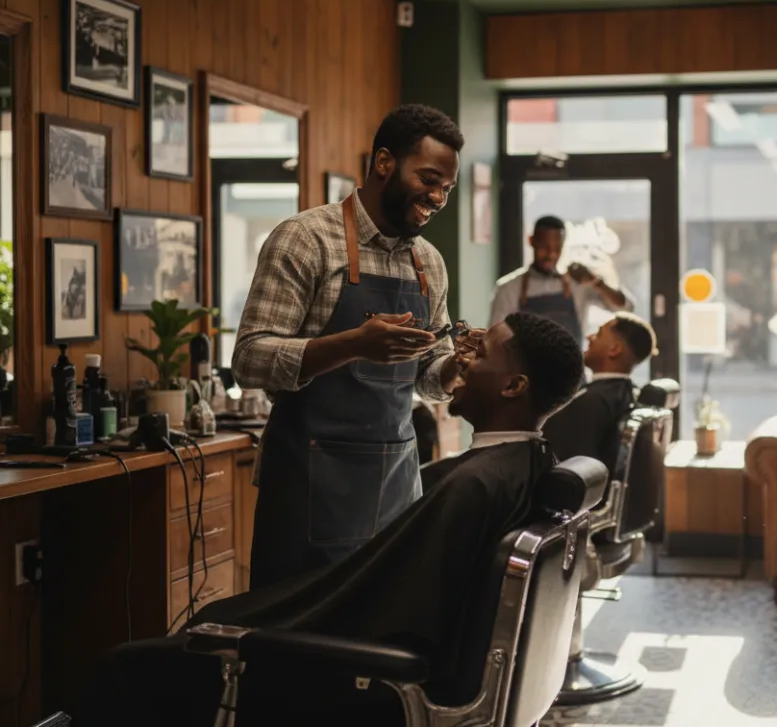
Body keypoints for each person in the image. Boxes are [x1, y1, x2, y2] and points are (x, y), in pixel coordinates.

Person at [69, 312, 586, 726]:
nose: (463, 358)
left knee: (130, 665)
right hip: (388, 656)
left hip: (362, 676)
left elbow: (392, 620)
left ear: (514, 386)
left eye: (481, 353)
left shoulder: (477, 483)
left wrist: (240, 633)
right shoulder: (523, 468)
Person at [231, 104, 473, 590]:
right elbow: (250, 360)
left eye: (446, 187)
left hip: (395, 486)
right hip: (307, 487)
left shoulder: (428, 262)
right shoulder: (304, 240)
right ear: (384, 163)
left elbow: (429, 375)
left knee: (379, 633)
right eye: (428, 178)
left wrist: (455, 367)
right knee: (301, 647)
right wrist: (353, 346)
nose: (437, 197)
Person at [488, 215, 635, 346]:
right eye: (544, 247)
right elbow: (495, 338)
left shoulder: (578, 284)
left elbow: (625, 308)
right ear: (531, 241)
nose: (551, 254)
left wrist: (596, 282)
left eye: (557, 248)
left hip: (573, 373)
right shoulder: (509, 288)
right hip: (527, 374)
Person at [542, 312, 657, 477]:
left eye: (599, 334)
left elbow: (562, 469)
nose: (589, 337)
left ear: (614, 349)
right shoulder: (626, 394)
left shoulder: (591, 401)